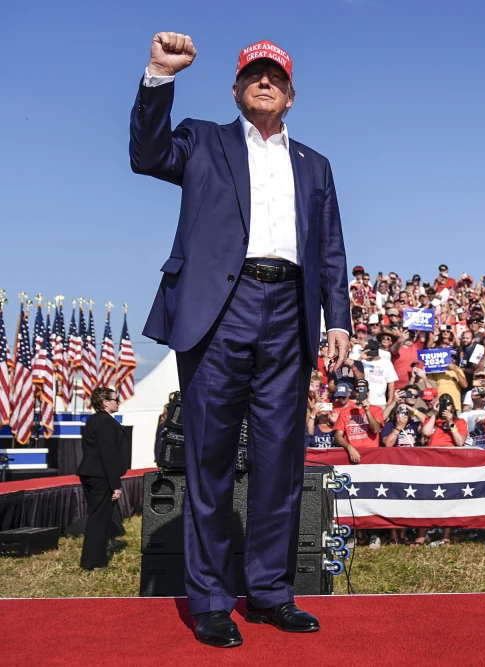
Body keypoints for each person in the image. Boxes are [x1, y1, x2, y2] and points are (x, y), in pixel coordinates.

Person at [131, 34, 351, 645]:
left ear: (290, 95)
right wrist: (157, 77)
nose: (264, 83)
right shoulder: (204, 140)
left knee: (281, 462)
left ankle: (272, 592)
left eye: (275, 76)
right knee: (210, 460)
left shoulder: (316, 165)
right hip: (217, 310)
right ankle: (209, 599)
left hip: (289, 312)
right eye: (253, 75)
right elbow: (147, 154)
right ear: (235, 89)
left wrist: (338, 319)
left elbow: (330, 249)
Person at [78, 387, 127, 571]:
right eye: (115, 399)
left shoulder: (95, 420)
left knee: (97, 518)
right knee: (100, 519)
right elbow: (108, 454)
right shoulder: (105, 422)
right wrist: (115, 484)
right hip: (100, 476)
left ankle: (94, 560)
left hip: (92, 473)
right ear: (105, 402)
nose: (118, 401)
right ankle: (93, 562)